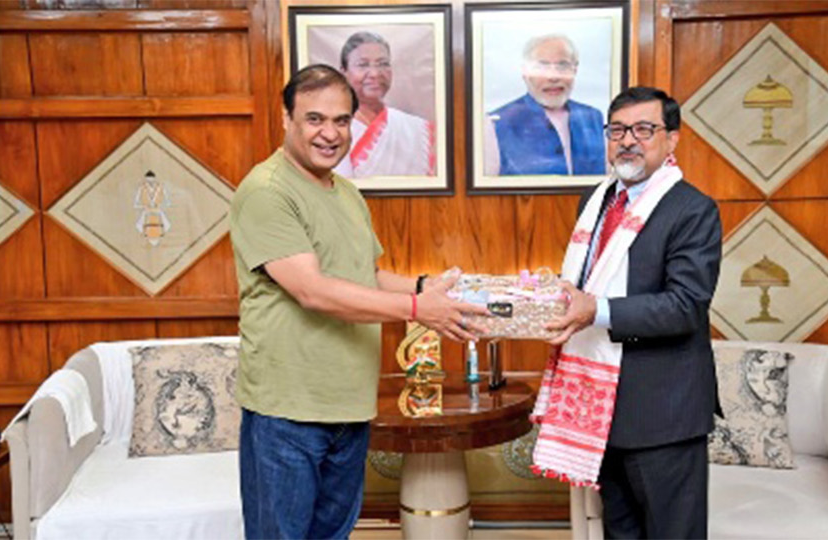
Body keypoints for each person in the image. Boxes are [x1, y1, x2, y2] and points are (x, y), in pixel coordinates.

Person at [230, 64, 487, 540]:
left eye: (342, 120)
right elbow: (313, 290)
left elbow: (365, 275)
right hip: (289, 409)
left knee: (333, 534)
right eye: (314, 119)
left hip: (348, 403)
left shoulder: (345, 191)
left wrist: (425, 288)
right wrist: (417, 311)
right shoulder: (267, 192)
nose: (330, 134)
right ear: (285, 119)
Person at [535, 86, 723, 539]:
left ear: (672, 139)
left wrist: (593, 309)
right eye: (617, 129)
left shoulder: (692, 210)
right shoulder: (596, 201)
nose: (628, 140)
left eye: (644, 128)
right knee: (618, 531)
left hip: (663, 411)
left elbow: (685, 306)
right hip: (601, 407)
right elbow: (589, 282)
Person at [483, 34, 607, 176]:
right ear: (525, 72)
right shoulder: (496, 123)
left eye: (563, 66)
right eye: (542, 67)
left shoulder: (594, 118)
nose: (553, 77)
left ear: (575, 70)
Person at [334, 31, 437, 178]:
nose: (375, 73)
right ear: (344, 72)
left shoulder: (415, 129)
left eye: (383, 64)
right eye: (363, 65)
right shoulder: (332, 128)